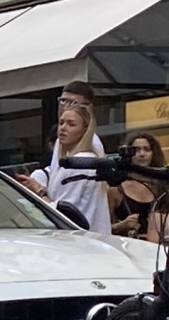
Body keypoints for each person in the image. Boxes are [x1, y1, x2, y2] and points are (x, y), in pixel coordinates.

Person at [29, 99, 114, 233]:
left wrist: (38, 191)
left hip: (81, 242)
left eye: (71, 124)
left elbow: (63, 214)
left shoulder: (80, 163)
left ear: (84, 130)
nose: (63, 128)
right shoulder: (73, 159)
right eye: (61, 122)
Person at [110, 131, 169, 244]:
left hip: (158, 249)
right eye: (136, 150)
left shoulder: (164, 187)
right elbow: (102, 228)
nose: (142, 154)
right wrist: (121, 225)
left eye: (147, 149)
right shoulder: (116, 190)